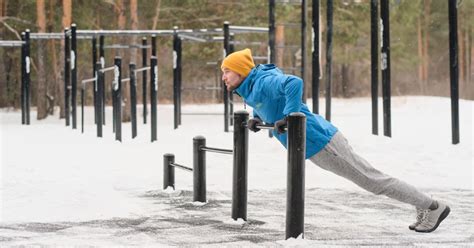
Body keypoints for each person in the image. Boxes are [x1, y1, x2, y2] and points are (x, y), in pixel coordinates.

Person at [220, 48, 450, 233]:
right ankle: (425, 204)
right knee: (372, 180)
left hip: (322, 141)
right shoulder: (251, 86)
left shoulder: (263, 81)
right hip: (312, 144)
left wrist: (289, 116)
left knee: (373, 181)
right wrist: (258, 118)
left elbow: (294, 83)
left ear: (241, 71)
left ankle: (432, 206)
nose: (223, 77)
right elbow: (270, 102)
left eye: (227, 71)